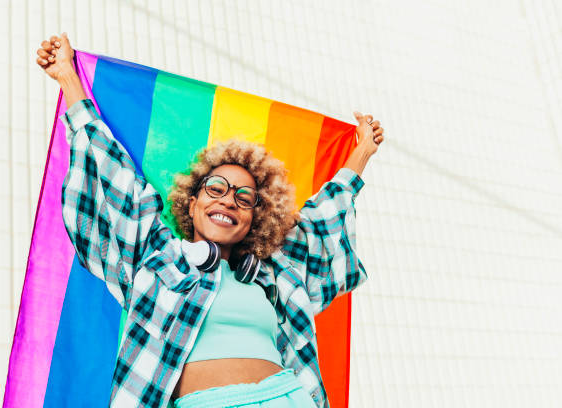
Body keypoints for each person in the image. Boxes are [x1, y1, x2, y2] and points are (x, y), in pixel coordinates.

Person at [36, 33, 384, 408]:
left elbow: (324, 215)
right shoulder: (155, 257)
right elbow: (112, 172)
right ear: (192, 201)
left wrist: (362, 152)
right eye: (216, 188)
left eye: (244, 197)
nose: (228, 201)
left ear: (255, 219)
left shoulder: (275, 273)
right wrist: (68, 78)